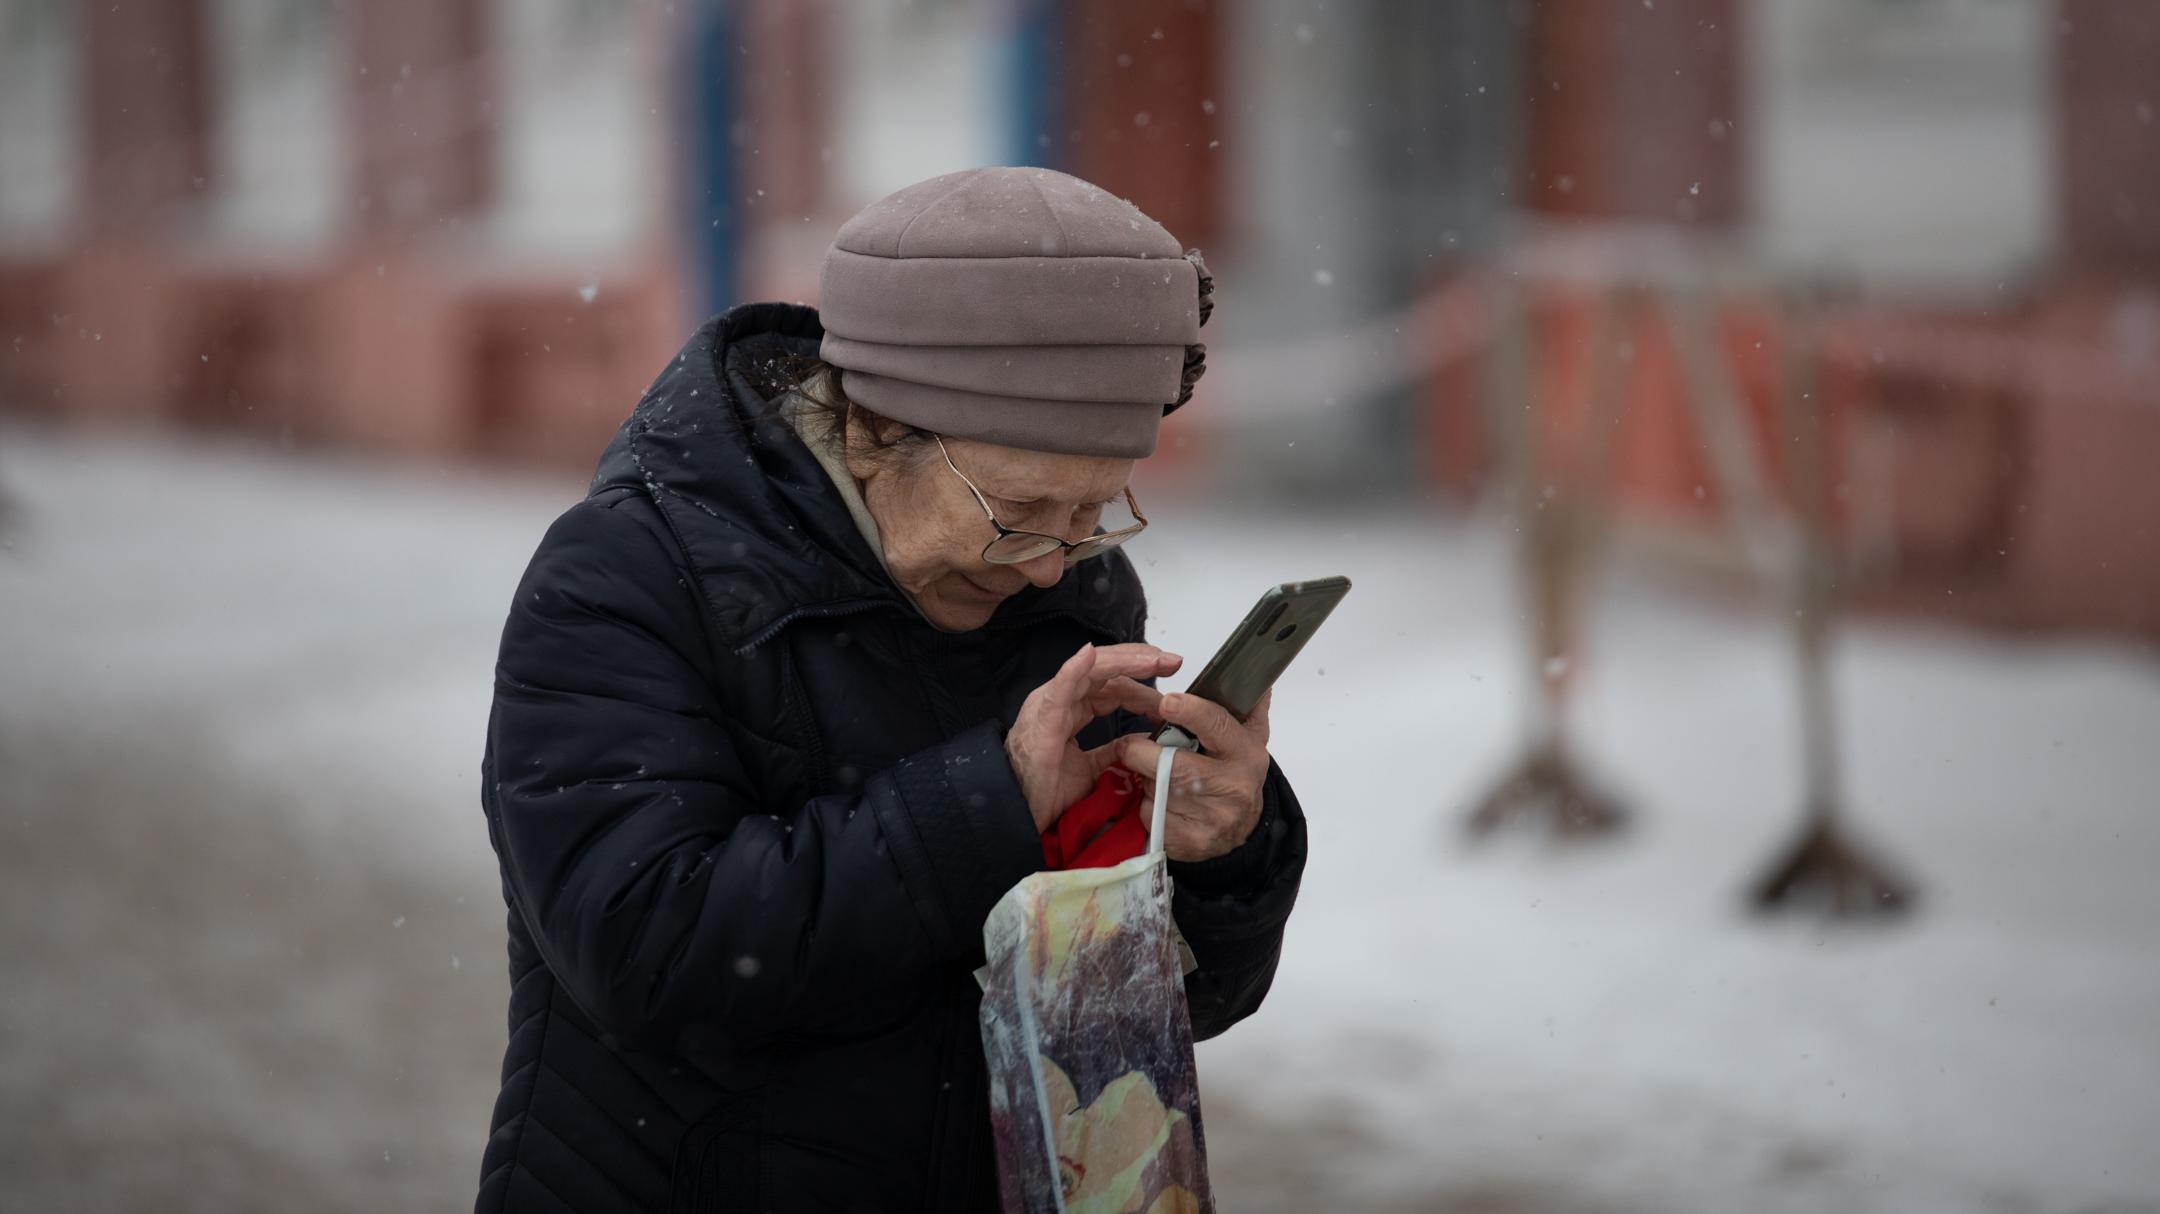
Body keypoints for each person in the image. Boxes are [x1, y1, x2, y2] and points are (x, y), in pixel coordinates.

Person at [474, 166, 1307, 1213]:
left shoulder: (1073, 590)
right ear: (873, 431)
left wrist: (1217, 858)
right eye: (1019, 509)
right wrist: (991, 802)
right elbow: (646, 949)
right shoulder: (629, 575)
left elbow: (1124, 1021)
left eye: (1098, 509)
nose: (1056, 562)